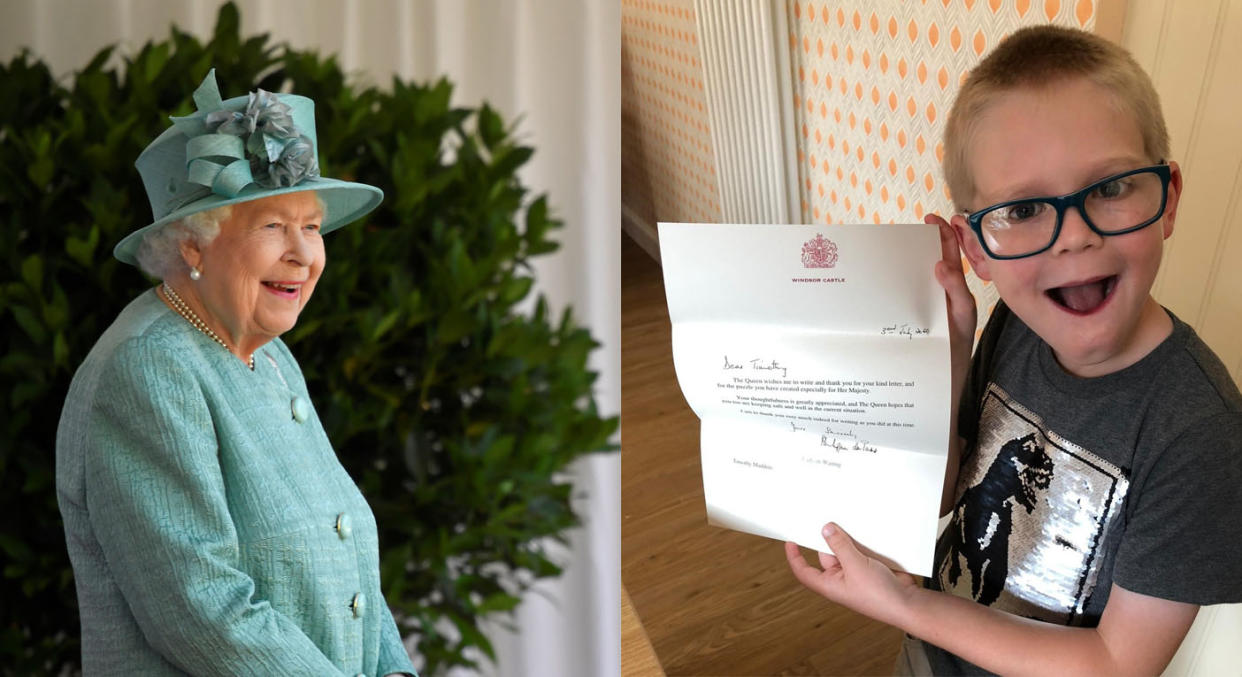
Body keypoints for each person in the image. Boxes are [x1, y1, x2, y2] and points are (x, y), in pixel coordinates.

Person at [784, 25, 1242, 675]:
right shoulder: (1015, 325)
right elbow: (945, 496)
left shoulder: (1200, 431)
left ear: (1167, 199)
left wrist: (906, 605)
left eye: (1109, 189)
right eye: (1024, 207)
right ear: (976, 249)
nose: (1073, 238)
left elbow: (1116, 664)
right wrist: (950, 357)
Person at [56, 70, 417, 676]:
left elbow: (344, 547)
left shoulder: (267, 353)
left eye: (311, 226)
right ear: (193, 247)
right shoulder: (148, 370)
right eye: (274, 226)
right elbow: (203, 612)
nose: (303, 253)